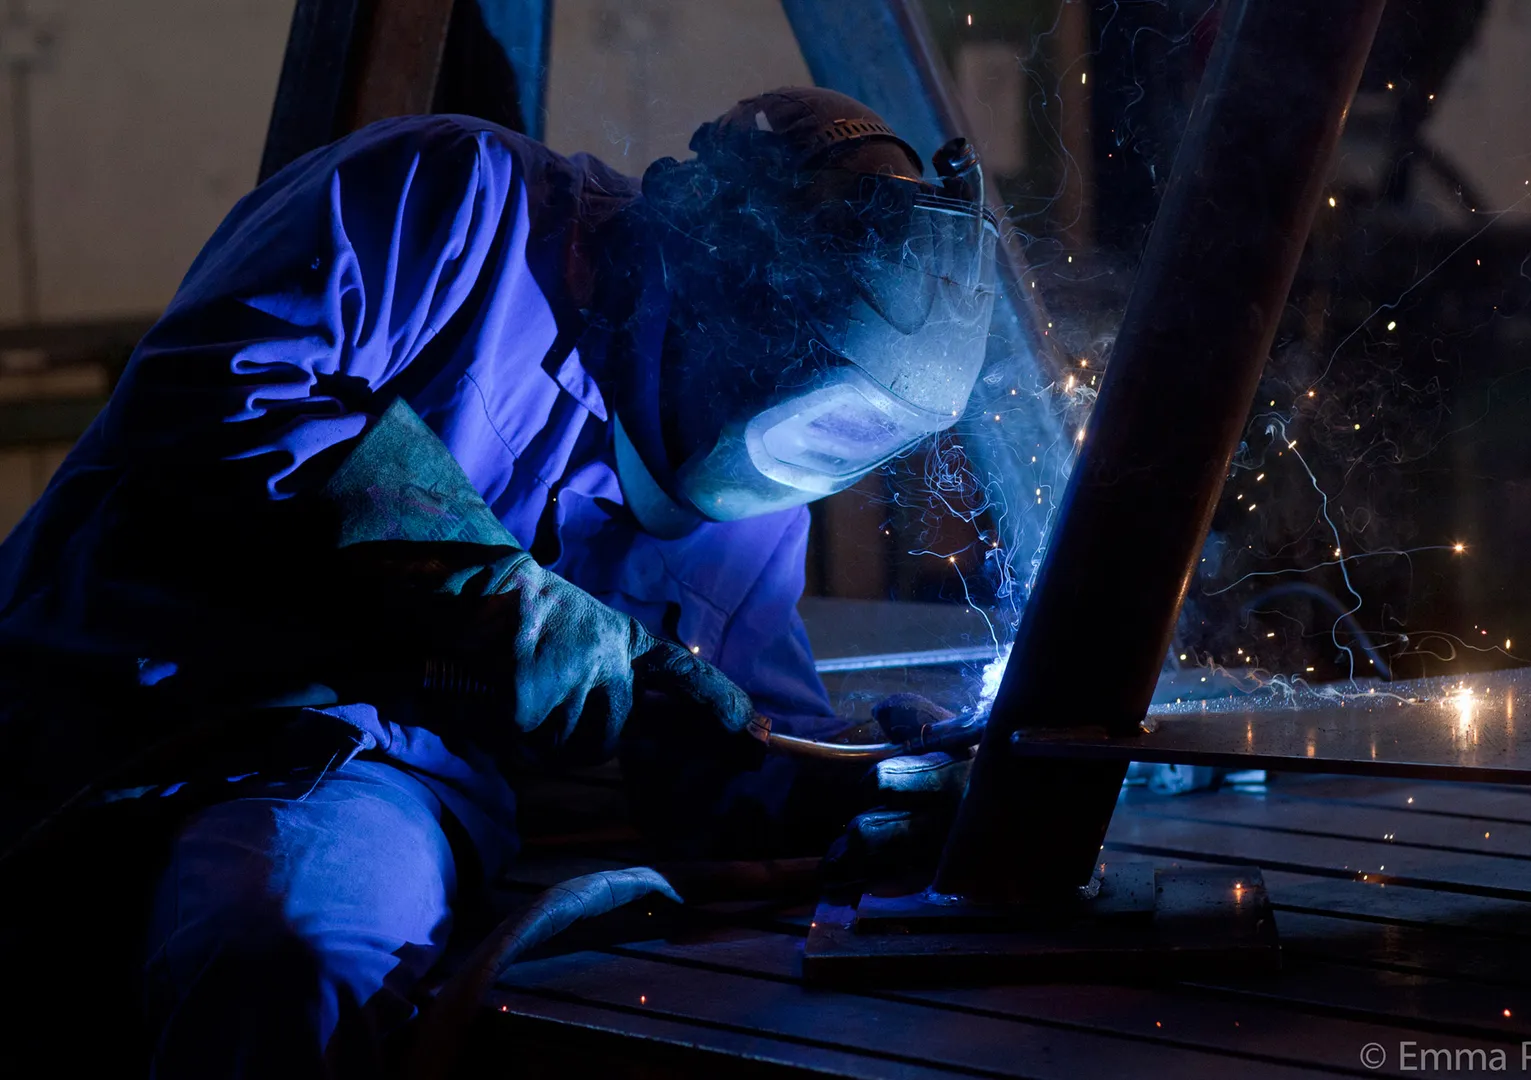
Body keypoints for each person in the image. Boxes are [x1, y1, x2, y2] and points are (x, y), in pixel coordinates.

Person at [0, 87, 996, 1076]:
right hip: (93, 692)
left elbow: (735, 749)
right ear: (719, 273)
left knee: (289, 961)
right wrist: (500, 604)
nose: (797, 465)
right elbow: (221, 398)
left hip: (370, 785)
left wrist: (867, 778)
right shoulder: (451, 202)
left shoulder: (751, 519)